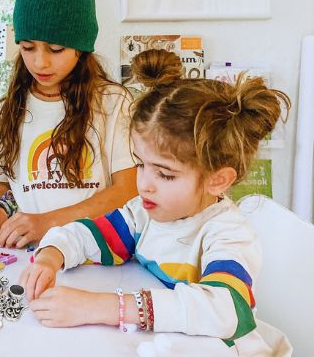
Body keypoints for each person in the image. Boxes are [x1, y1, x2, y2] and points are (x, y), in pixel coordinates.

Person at [21, 49, 291, 356]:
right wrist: (52, 254)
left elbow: (225, 310)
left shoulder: (229, 233)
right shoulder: (144, 212)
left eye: (165, 174)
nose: (144, 184)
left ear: (217, 180)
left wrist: (103, 307)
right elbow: (92, 234)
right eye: (140, 164)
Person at [0, 0, 137, 248]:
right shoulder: (6, 111)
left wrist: (47, 222)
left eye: (56, 49)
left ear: (81, 47)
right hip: (30, 255)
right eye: (27, 47)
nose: (40, 62)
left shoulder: (113, 103)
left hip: (97, 254)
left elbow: (128, 190)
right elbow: (5, 187)